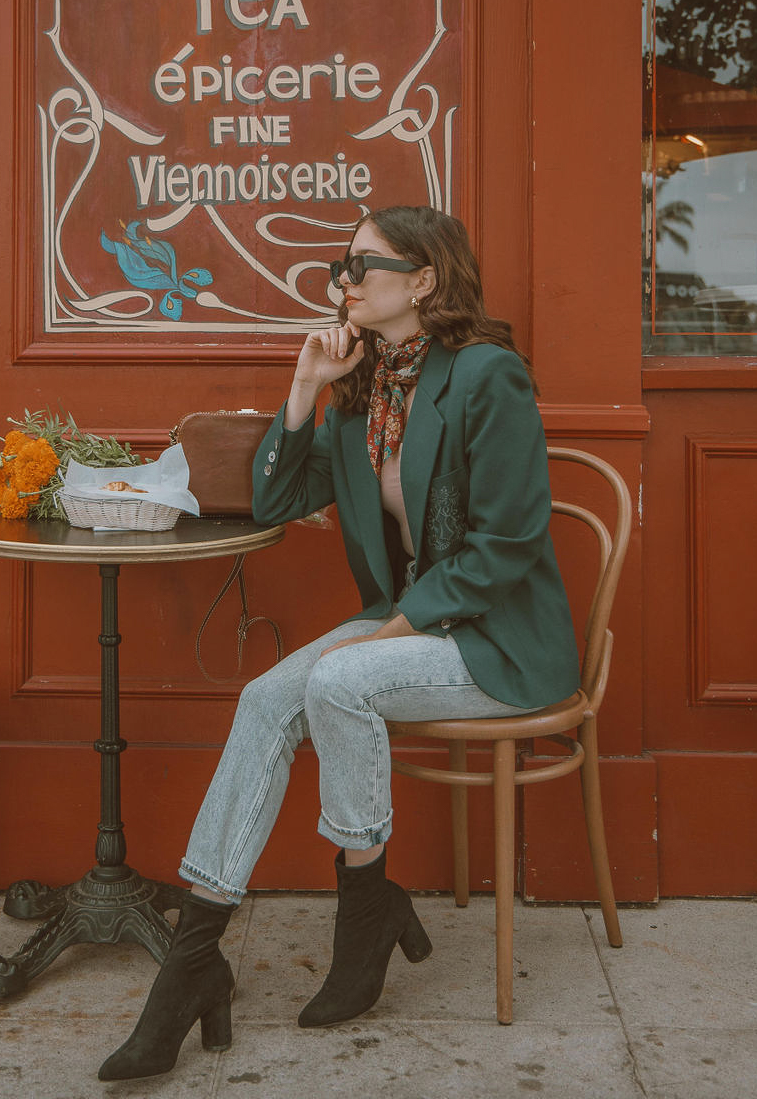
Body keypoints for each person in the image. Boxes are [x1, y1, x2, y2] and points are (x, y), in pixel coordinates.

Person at [99, 205, 580, 1081]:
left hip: (496, 642)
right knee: (265, 697)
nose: (342, 280)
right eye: (340, 266)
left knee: (339, 683)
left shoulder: (486, 376)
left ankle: (364, 912)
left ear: (424, 279)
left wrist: (384, 631)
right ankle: (194, 961)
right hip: (409, 622)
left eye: (361, 264)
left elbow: (506, 546)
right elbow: (279, 502)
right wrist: (304, 389)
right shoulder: (366, 388)